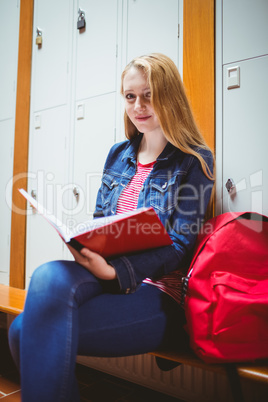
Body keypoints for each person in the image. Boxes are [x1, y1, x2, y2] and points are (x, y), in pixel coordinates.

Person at [9, 53, 214, 401]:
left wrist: (115, 272)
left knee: (20, 331)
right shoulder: (118, 154)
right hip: (106, 273)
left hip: (157, 290)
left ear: (168, 94)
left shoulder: (193, 159)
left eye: (148, 94)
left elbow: (180, 243)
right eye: (130, 96)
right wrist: (83, 243)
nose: (138, 106)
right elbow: (102, 220)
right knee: (46, 276)